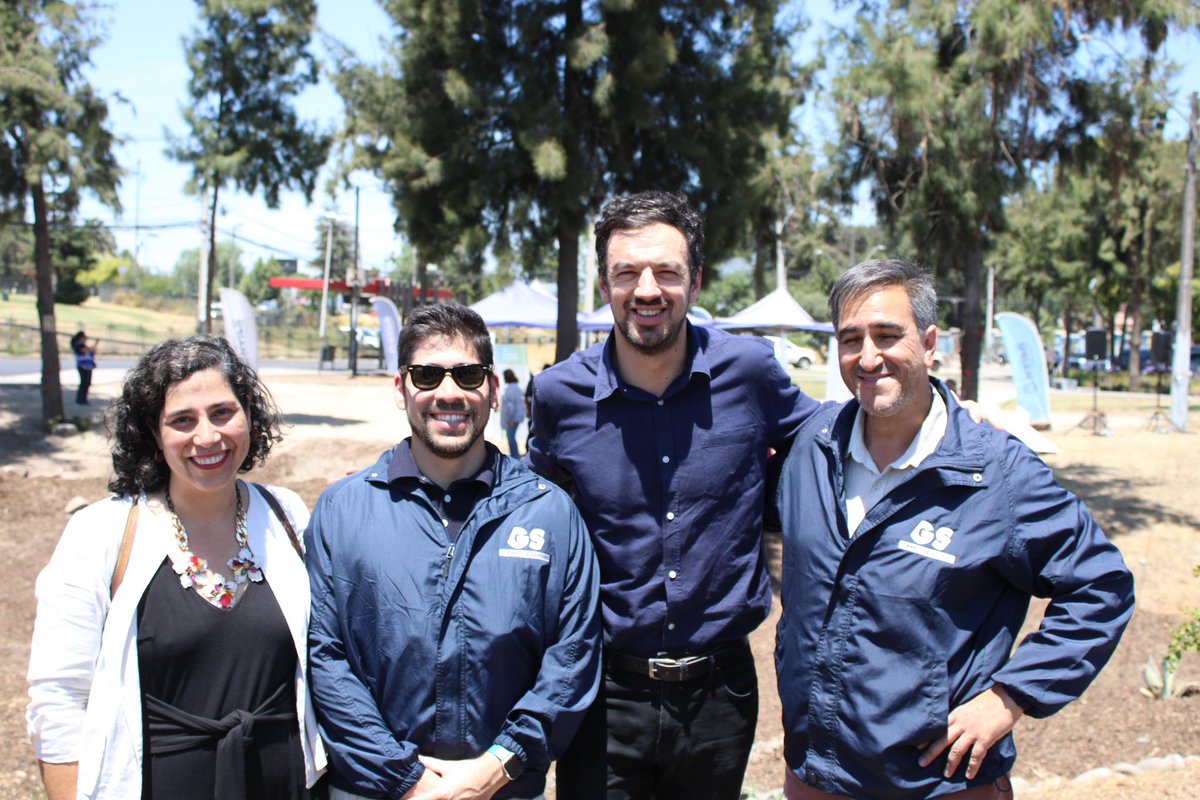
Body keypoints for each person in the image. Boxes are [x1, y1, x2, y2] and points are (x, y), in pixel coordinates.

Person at [773, 259, 1135, 799]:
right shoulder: (812, 447)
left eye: (887, 335)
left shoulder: (996, 472)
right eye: (851, 339)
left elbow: (1101, 586)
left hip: (936, 782)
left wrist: (1011, 697)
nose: (867, 357)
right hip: (815, 775)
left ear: (929, 343)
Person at [527, 190, 820, 799]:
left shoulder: (752, 373)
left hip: (721, 695)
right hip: (600, 691)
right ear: (604, 285)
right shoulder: (557, 395)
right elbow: (532, 513)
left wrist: (943, 415)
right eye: (626, 273)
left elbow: (833, 437)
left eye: (666, 271)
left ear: (696, 280)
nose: (647, 290)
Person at [306, 303, 601, 800]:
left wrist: (499, 764)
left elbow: (573, 655)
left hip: (503, 788)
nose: (448, 393)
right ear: (400, 389)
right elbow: (325, 657)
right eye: (427, 375)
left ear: (493, 389)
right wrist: (405, 779)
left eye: (467, 375)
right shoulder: (341, 510)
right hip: (375, 790)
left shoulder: (549, 512)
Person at [27, 336, 326, 800]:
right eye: (182, 420)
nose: (207, 437)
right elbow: (59, 699)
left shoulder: (286, 515)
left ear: (249, 413)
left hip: (286, 782)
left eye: (222, 412)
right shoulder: (101, 534)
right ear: (153, 432)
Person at [501, 368, 526, 456]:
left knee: (511, 438)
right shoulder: (515, 387)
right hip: (515, 417)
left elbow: (511, 406)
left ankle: (515, 456)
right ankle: (515, 456)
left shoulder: (511, 388)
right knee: (511, 437)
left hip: (512, 418)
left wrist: (510, 419)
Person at [70, 330, 98, 405]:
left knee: (87, 383)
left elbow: (93, 351)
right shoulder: (78, 345)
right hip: (82, 366)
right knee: (84, 383)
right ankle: (80, 400)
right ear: (81, 337)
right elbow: (88, 350)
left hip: (88, 366)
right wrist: (96, 343)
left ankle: (83, 399)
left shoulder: (83, 345)